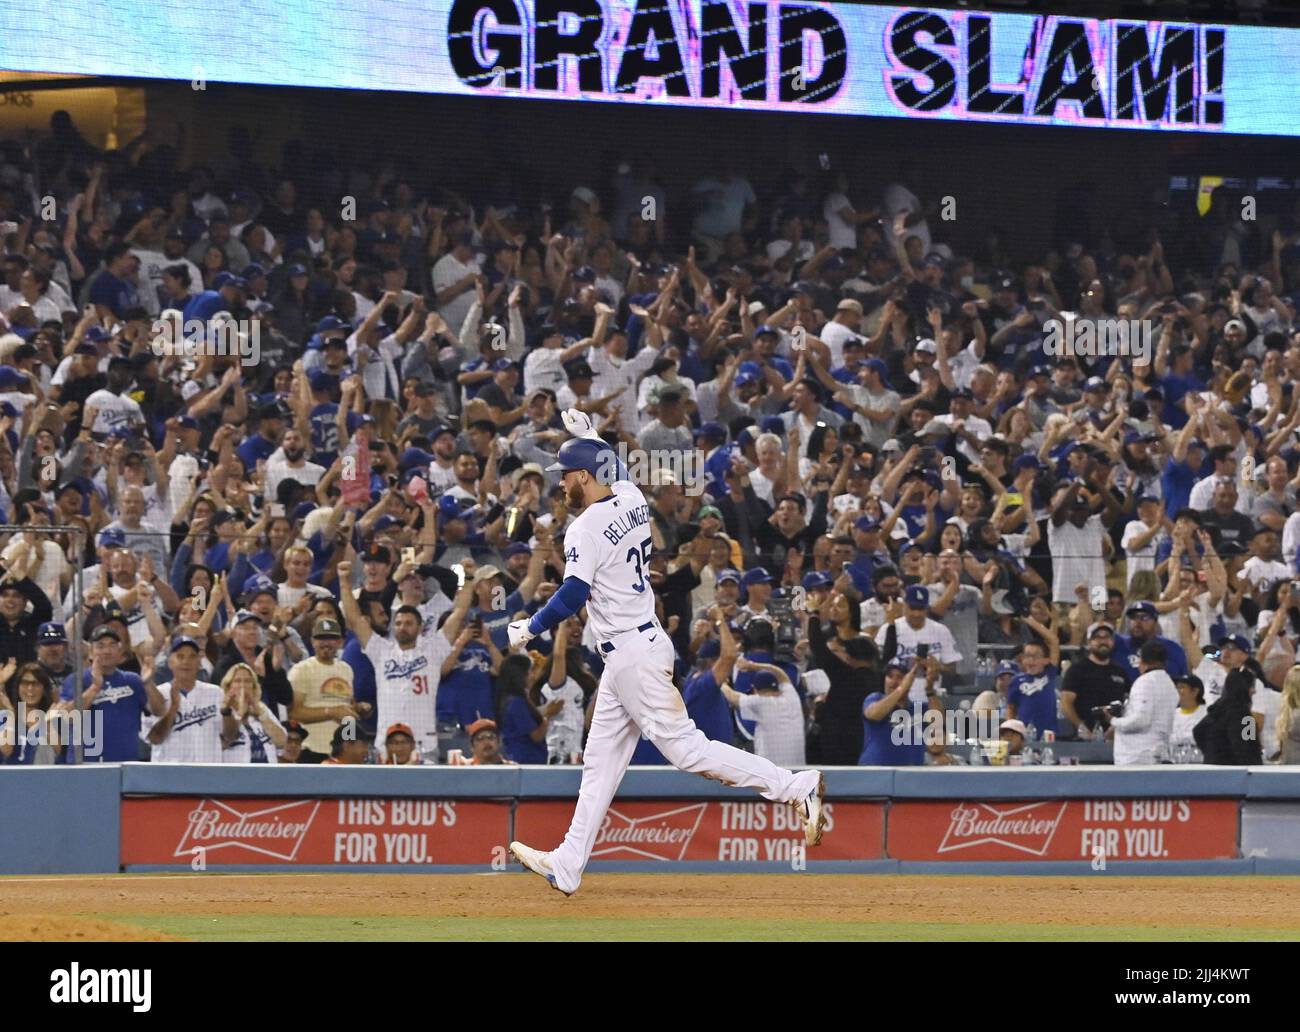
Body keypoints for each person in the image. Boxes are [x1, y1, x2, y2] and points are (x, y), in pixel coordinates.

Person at [506, 410, 825, 897]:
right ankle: (569, 862)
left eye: (566, 475)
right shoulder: (631, 498)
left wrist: (529, 628)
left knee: (687, 750)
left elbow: (572, 594)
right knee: (600, 765)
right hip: (636, 649)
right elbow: (619, 472)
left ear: (584, 476)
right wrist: (590, 434)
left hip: (633, 654)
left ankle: (794, 787)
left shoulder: (584, 528)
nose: (562, 483)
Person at [337, 549, 473, 764]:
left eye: (408, 623)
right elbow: (355, 620)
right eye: (398, 623)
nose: (402, 627)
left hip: (424, 743)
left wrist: (469, 578)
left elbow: (459, 613)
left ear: (420, 627)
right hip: (386, 743)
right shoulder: (381, 651)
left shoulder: (433, 649)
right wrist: (344, 583)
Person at [57, 625, 166, 762]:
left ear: (120, 651)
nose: (107, 651)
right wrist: (94, 688)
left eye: (112, 645)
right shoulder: (77, 680)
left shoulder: (132, 680)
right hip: (86, 765)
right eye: (100, 646)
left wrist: (148, 684)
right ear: (91, 652)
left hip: (126, 765)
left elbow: (160, 710)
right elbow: (67, 717)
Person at [141, 637, 233, 763]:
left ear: (199, 663)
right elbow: (154, 739)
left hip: (207, 771)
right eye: (180, 656)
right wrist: (173, 708)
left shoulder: (215, 692)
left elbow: (230, 736)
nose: (186, 661)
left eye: (192, 656)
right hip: (169, 771)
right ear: (170, 662)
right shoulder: (157, 694)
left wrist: (227, 713)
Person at [718, 659, 805, 767]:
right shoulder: (792, 698)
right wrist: (754, 666)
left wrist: (721, 681)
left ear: (755, 690)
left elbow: (731, 696)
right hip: (800, 771)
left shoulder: (760, 703)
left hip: (774, 772)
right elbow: (781, 674)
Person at [1103, 639, 1178, 765]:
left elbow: (1140, 721)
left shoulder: (1144, 682)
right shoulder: (1170, 684)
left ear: (1142, 661)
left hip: (1137, 757)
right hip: (1159, 753)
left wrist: (1112, 720)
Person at [1194, 668, 1263, 765]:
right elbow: (1249, 749)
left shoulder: (1216, 710)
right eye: (1252, 686)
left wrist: (1212, 752)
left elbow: (1198, 730)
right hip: (1237, 772)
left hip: (1212, 768)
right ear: (1243, 687)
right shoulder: (1246, 718)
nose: (1254, 691)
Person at [1170, 673, 1208, 761]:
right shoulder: (1173, 714)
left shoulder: (1206, 713)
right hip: (1175, 762)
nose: (1178, 691)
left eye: (1182, 687)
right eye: (1177, 688)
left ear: (1195, 691)